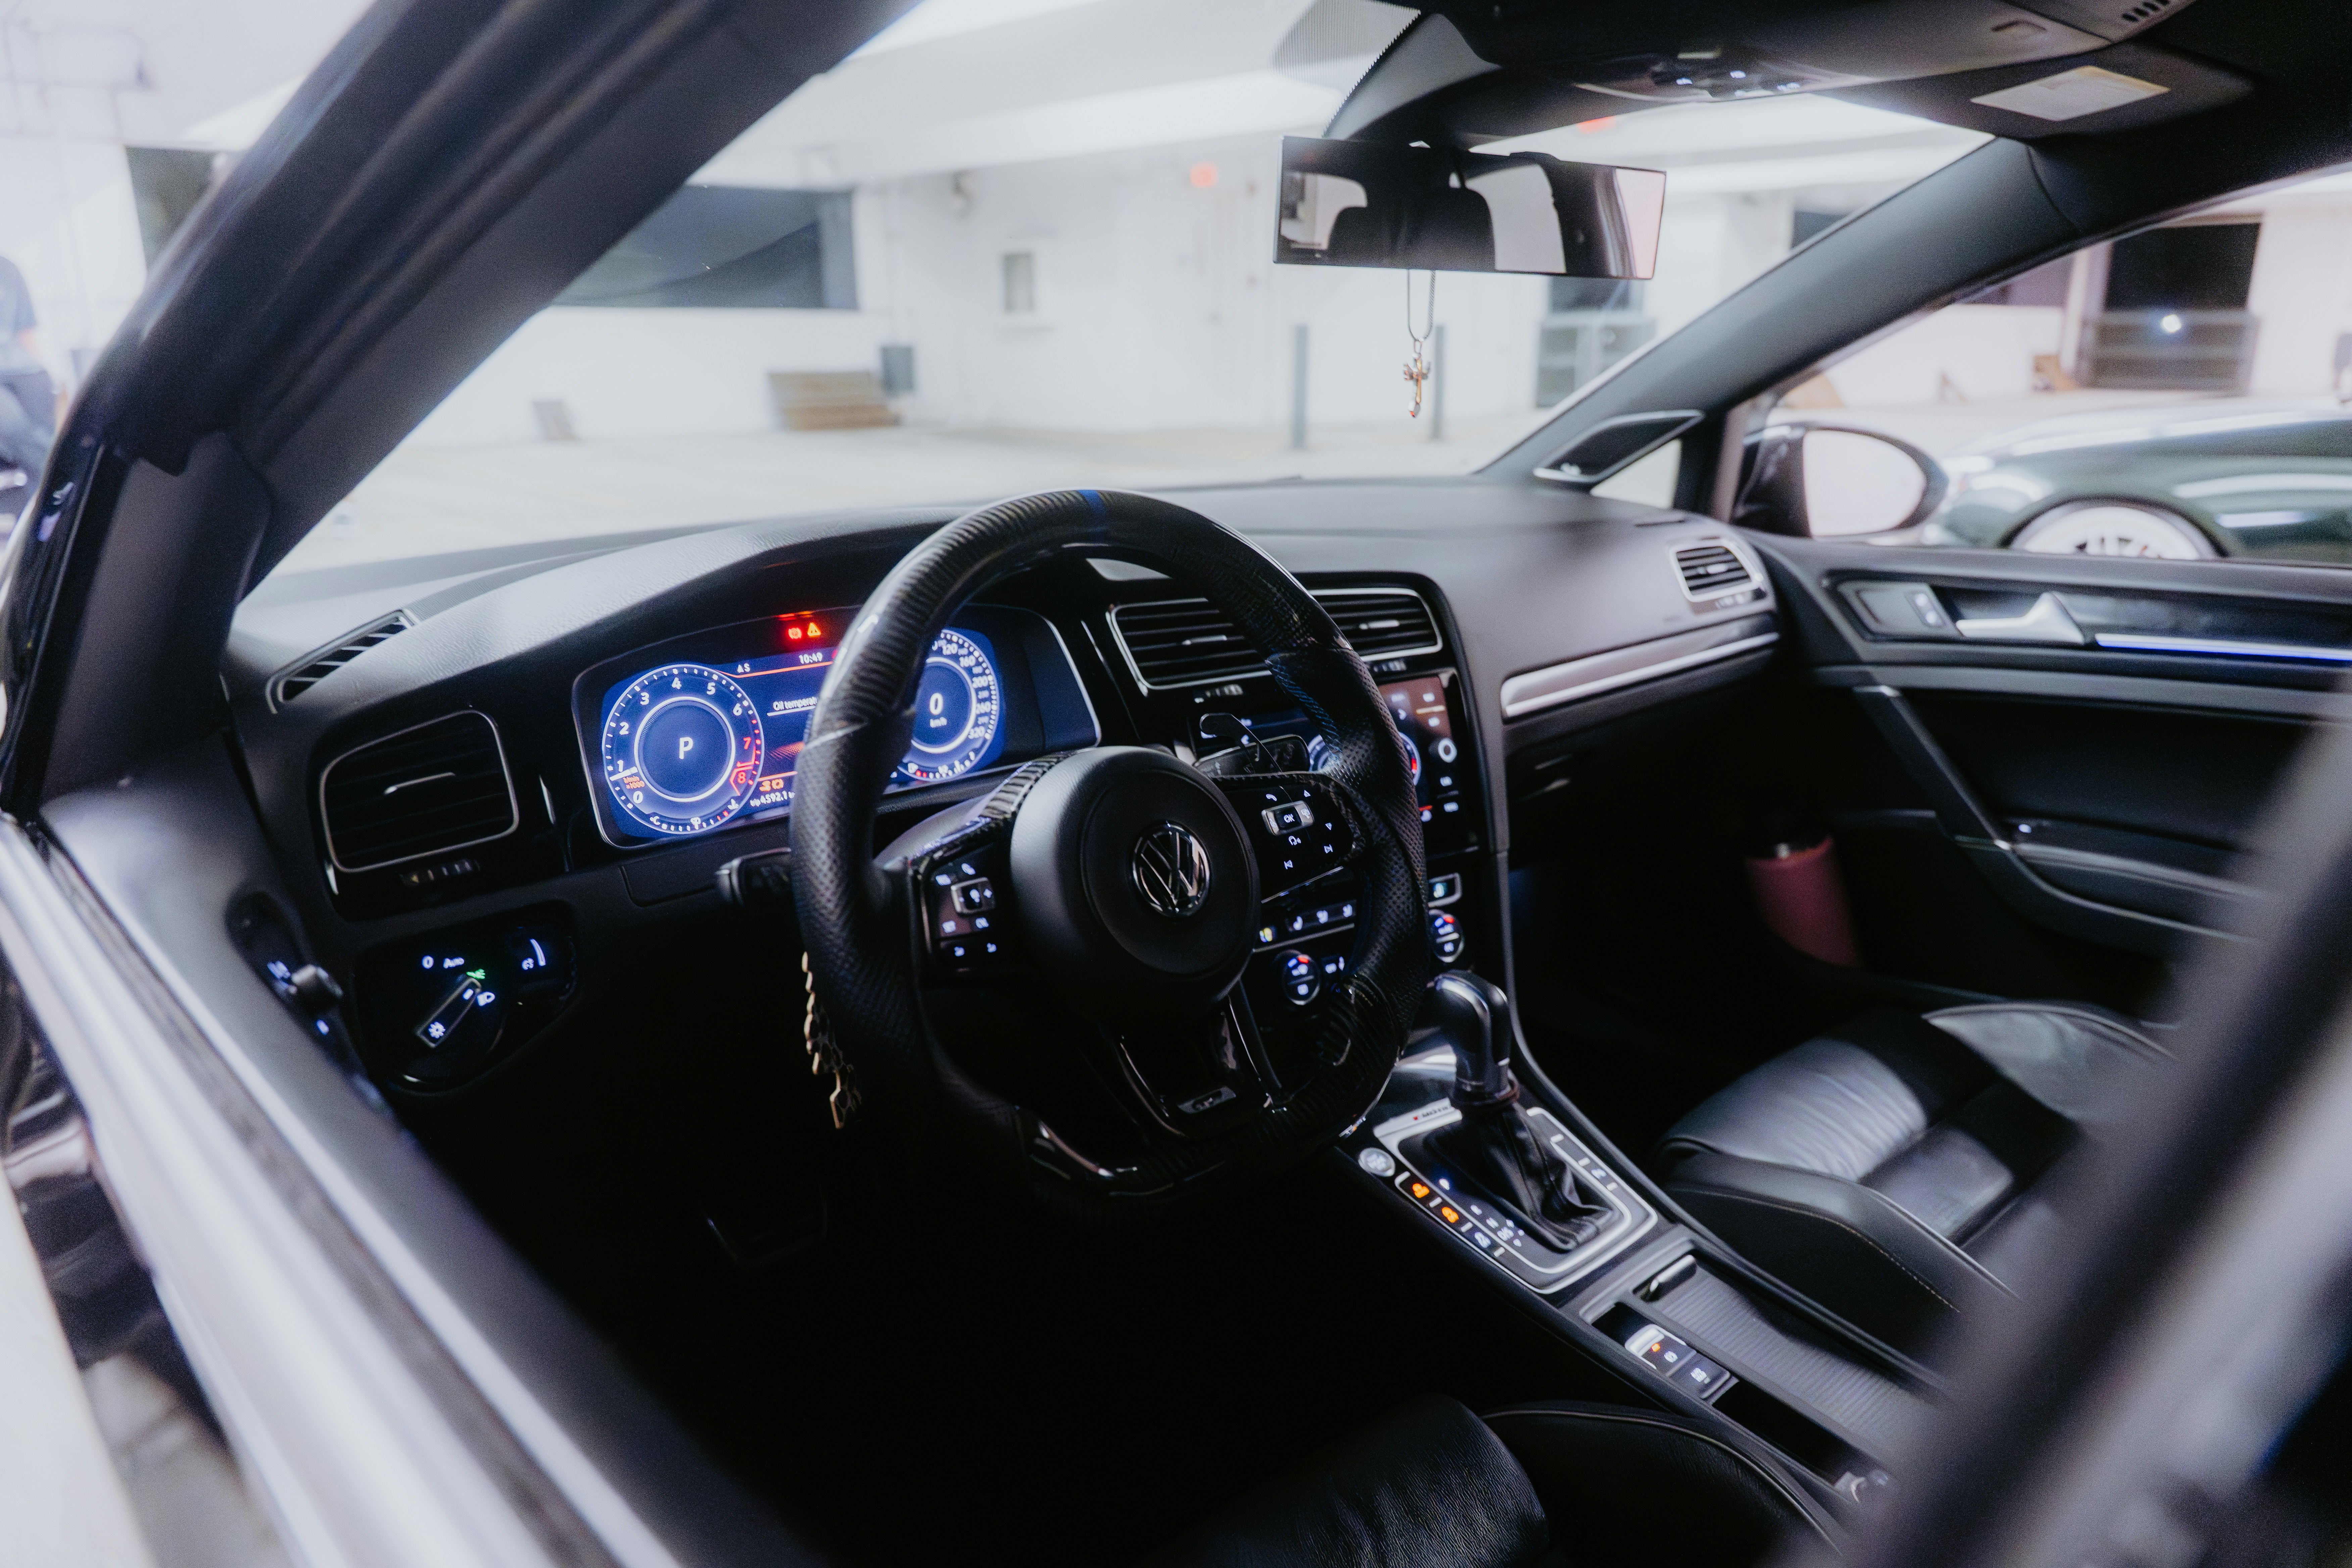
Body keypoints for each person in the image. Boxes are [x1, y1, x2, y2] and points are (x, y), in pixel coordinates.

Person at [0, 255, 56, 487]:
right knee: (31, 442)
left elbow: (26, 332)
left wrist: (46, 370)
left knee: (47, 442)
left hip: (23, 372)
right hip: (8, 383)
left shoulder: (7, 268)